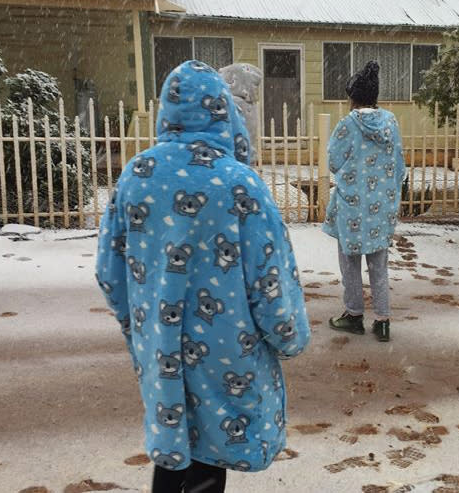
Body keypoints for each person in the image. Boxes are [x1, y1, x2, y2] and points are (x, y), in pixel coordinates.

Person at [95, 60, 310, 493]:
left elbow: (109, 270)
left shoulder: (137, 176)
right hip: (227, 351)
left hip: (160, 348)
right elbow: (272, 279)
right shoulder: (239, 186)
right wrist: (289, 335)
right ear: (223, 112)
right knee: (213, 450)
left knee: (175, 443)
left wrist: (138, 325)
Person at [323, 60, 406, 343]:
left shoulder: (347, 125)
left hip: (352, 205)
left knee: (350, 262)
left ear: (353, 98)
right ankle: (382, 322)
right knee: (379, 265)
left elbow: (333, 161)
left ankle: (354, 315)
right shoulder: (391, 122)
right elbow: (399, 165)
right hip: (382, 206)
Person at [219, 63, 263, 162]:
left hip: (239, 152)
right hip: (242, 152)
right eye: (254, 85)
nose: (255, 88)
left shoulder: (236, 102)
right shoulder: (239, 102)